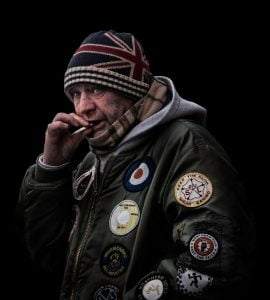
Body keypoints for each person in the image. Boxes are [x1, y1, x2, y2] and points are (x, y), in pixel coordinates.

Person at [17, 30, 255, 299]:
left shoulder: (186, 146)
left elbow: (213, 268)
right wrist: (51, 169)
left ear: (130, 88)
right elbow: (50, 257)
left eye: (96, 88)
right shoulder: (89, 163)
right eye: (75, 93)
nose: (83, 107)